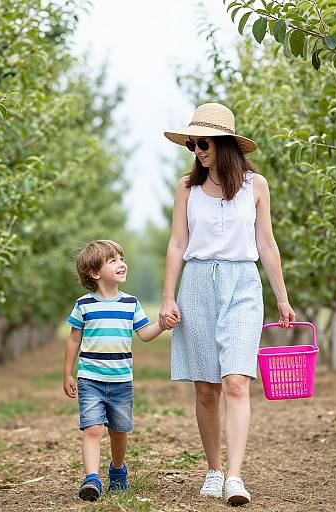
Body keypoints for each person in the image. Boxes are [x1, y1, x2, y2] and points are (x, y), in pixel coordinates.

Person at [159, 103, 296, 505]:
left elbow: (267, 244)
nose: (197, 150)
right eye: (192, 145)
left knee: (236, 381)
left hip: (242, 284)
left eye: (203, 143)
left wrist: (283, 298)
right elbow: (177, 243)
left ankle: (235, 476)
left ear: (224, 144)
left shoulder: (257, 186)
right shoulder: (187, 188)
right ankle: (213, 470)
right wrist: (168, 295)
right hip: (198, 282)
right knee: (205, 389)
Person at [63, 239, 176, 501]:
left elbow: (145, 334)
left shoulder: (130, 304)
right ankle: (91, 478)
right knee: (92, 428)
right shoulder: (84, 305)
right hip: (90, 378)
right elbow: (73, 339)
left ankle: (117, 470)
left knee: (119, 431)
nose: (121, 264)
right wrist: (67, 373)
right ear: (94, 272)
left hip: (121, 380)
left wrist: (162, 325)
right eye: (112, 260)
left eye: (121, 259)